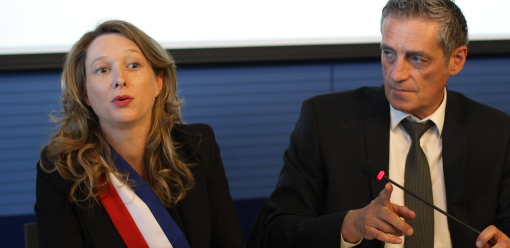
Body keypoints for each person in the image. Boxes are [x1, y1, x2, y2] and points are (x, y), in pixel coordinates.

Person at [247, 0, 510, 247]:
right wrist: (350, 224)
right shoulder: (325, 121)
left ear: (456, 60)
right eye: (389, 53)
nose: (396, 74)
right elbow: (274, 231)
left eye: (417, 58)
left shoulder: (495, 131)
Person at [35, 20, 245, 248]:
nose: (120, 80)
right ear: (85, 93)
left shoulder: (198, 145)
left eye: (133, 65)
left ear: (158, 81)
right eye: (102, 69)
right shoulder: (61, 169)